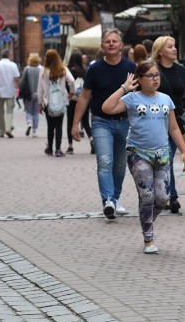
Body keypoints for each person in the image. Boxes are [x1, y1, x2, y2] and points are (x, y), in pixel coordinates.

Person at [101, 60, 185, 253]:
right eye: (149, 76)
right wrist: (124, 88)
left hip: (162, 154)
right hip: (137, 153)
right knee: (147, 196)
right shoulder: (132, 98)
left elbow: (173, 127)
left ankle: (147, 219)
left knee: (163, 198)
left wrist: (183, 150)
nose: (155, 79)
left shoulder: (166, 99)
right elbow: (106, 108)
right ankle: (148, 238)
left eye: (157, 75)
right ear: (140, 79)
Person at [71, 28, 136, 219]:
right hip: (101, 122)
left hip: (125, 122)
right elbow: (84, 97)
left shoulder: (130, 67)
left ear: (121, 45)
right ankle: (108, 200)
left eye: (115, 41)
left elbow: (138, 96)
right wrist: (76, 124)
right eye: (107, 41)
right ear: (102, 46)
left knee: (120, 165)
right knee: (105, 161)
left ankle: (115, 199)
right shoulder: (95, 68)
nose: (111, 44)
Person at [151, 36, 185, 214]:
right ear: (160, 51)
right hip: (154, 119)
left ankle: (171, 195)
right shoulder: (152, 70)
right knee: (158, 158)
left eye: (174, 46)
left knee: (166, 155)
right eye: (170, 47)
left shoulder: (181, 70)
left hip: (176, 120)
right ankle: (165, 194)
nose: (174, 49)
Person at [38, 49, 75, 157]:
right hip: (61, 101)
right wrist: (71, 92)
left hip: (48, 101)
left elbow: (39, 89)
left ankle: (50, 148)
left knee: (50, 126)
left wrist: (40, 103)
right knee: (59, 126)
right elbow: (72, 81)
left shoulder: (44, 71)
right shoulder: (63, 69)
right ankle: (58, 149)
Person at [0, 50, 20, 138]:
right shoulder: (13, 65)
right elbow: (17, 79)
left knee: (0, 112)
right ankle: (8, 128)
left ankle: (1, 131)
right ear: (9, 55)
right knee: (9, 111)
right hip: (10, 91)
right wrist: (18, 88)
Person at [66, 52, 91, 153]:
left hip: (72, 100)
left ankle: (70, 146)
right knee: (85, 122)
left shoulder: (69, 71)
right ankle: (91, 139)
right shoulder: (85, 71)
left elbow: (67, 84)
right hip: (84, 100)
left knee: (70, 122)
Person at [19, 53, 42, 137]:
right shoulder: (41, 69)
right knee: (36, 112)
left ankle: (29, 122)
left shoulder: (27, 69)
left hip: (29, 94)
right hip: (39, 94)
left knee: (28, 110)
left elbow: (22, 81)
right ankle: (34, 131)